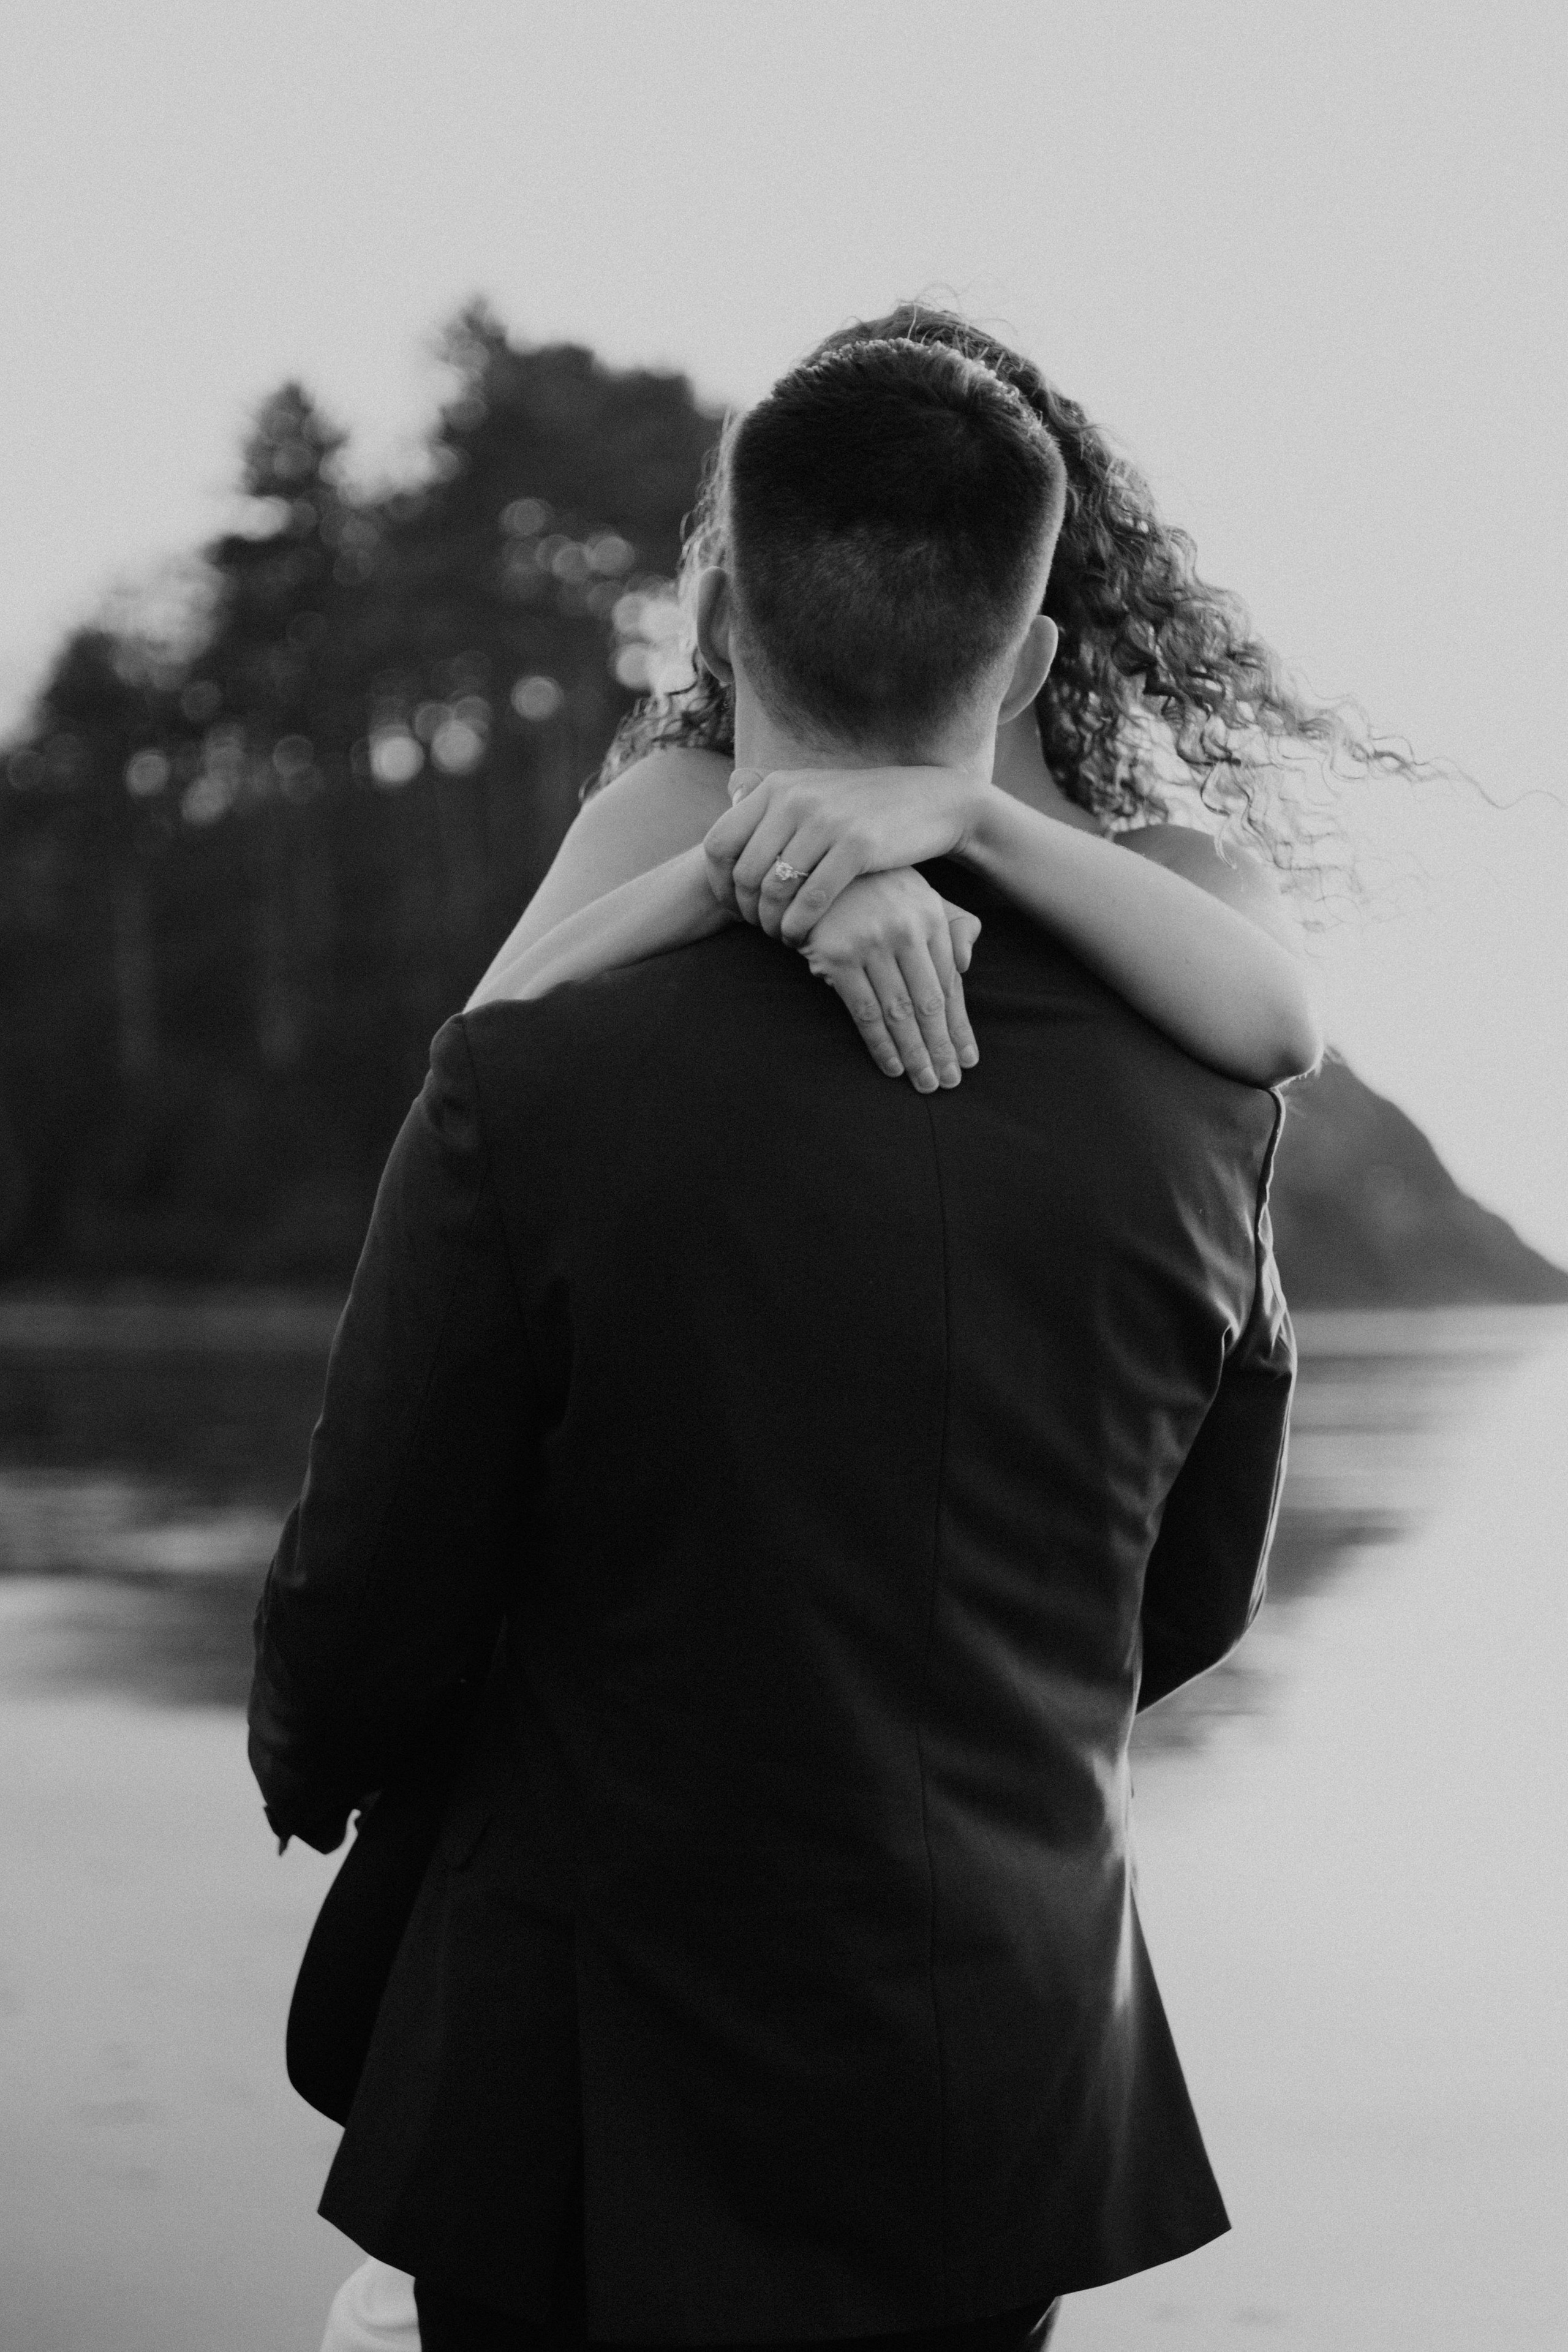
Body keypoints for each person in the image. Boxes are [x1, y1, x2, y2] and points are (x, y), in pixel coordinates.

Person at [252, 333, 1295, 2350]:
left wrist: (323, 1756)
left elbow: (379, 1562)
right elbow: (1191, 1592)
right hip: (987, 2061)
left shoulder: (543, 1069)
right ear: (1034, 655)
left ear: (723, 614)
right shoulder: (1200, 1104)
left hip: (571, 2064)